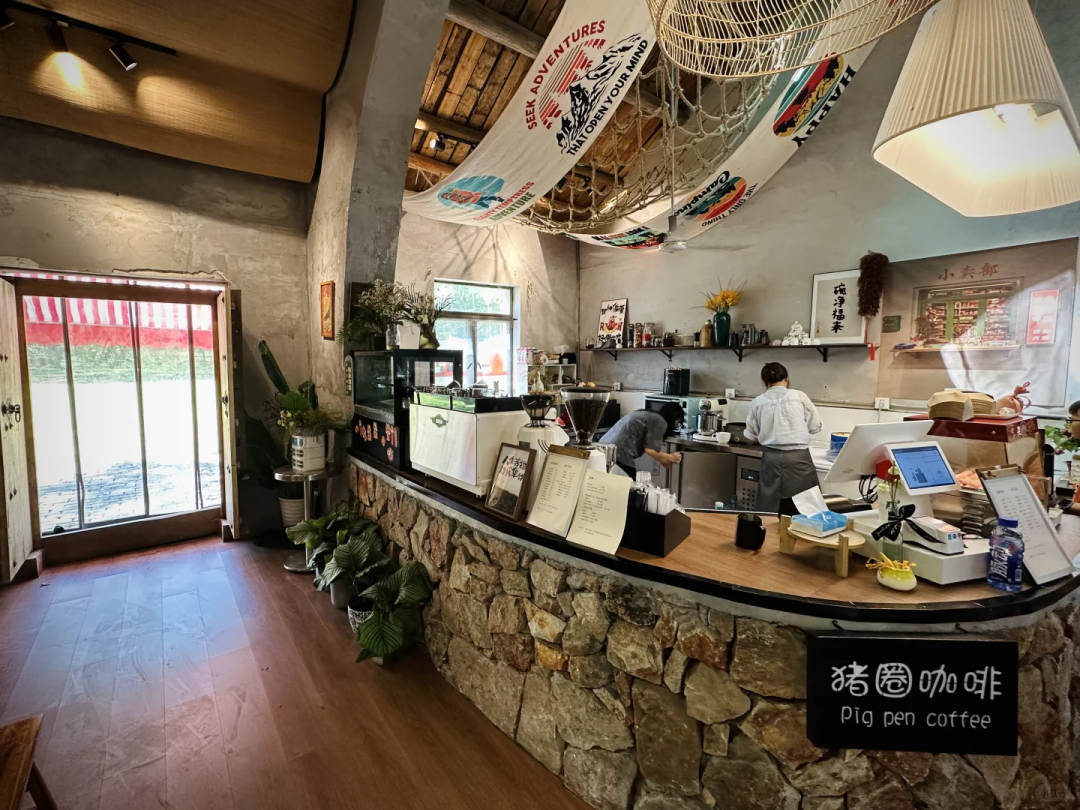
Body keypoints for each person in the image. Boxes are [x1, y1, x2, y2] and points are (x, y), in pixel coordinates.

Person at [744, 362, 822, 515]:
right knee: (806, 506)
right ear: (787, 379)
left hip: (771, 459)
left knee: (769, 506)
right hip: (799, 459)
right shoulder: (799, 396)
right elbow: (815, 426)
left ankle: (768, 529)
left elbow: (751, 434)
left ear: (765, 382)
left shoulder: (757, 402)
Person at [603, 403, 684, 478]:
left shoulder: (645, 414)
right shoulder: (659, 421)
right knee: (630, 483)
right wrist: (671, 457)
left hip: (604, 448)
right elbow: (650, 450)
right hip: (619, 453)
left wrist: (663, 459)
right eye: (678, 422)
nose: (677, 425)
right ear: (675, 418)